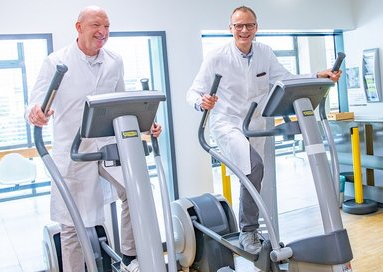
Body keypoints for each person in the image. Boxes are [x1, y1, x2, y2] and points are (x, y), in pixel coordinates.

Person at [186, 6, 341, 255]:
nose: (244, 30)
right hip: (227, 123)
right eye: (238, 26)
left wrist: (317, 75)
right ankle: (248, 230)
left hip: (255, 124)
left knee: (252, 176)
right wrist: (200, 101)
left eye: (249, 25)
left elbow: (285, 79)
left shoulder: (265, 53)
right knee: (254, 168)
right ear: (230, 29)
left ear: (256, 27)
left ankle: (252, 228)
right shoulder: (216, 56)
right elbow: (192, 92)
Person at [25, 6, 161, 272]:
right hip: (74, 151)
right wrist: (36, 113)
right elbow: (35, 103)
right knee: (71, 222)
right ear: (79, 27)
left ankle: (132, 257)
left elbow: (123, 103)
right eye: (96, 25)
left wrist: (146, 125)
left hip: (109, 146)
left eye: (107, 26)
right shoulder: (56, 62)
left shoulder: (114, 61)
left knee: (136, 191)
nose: (103, 32)